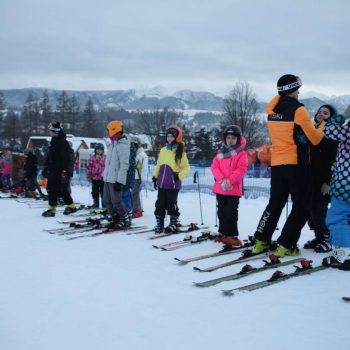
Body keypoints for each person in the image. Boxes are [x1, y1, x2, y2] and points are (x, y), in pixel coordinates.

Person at [251, 74, 325, 257]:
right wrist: (323, 125)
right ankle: (286, 244)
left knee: (275, 204)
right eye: (297, 89)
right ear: (292, 90)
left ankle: (261, 240)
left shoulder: (272, 110)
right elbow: (315, 139)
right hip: (297, 165)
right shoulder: (299, 110)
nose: (299, 92)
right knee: (301, 206)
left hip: (277, 164)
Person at [304, 105, 339, 252]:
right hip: (310, 177)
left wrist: (327, 182)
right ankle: (319, 236)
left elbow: (334, 160)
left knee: (319, 209)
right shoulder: (313, 132)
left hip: (324, 179)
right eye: (319, 111)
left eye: (325, 113)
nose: (321, 114)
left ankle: (327, 237)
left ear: (331, 117)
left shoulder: (332, 135)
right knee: (309, 210)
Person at [211, 125, 248, 250]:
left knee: (231, 212)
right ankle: (223, 232)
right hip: (220, 187)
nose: (230, 140)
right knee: (221, 211)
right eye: (228, 137)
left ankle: (232, 234)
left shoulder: (241, 154)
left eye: (233, 138)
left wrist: (230, 180)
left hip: (233, 189)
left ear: (238, 139)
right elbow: (214, 167)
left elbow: (241, 169)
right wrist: (221, 180)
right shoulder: (220, 152)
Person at [321, 115, 350, 270]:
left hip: (345, 184)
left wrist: (334, 120)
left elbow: (329, 130)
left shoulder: (348, 130)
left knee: (337, 218)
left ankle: (342, 255)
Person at [152, 125, 190, 234]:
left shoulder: (180, 151)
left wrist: (178, 176)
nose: (169, 138)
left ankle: (173, 222)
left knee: (171, 203)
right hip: (162, 183)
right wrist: (155, 177)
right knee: (160, 204)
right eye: (168, 136)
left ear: (177, 138)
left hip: (173, 184)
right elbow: (158, 165)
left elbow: (186, 168)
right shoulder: (163, 150)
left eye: (172, 137)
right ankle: (160, 224)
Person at [41, 122, 77, 217]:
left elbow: (65, 159)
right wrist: (46, 167)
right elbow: (51, 157)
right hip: (53, 169)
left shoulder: (62, 142)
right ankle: (71, 206)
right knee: (61, 189)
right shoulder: (54, 141)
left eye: (50, 131)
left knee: (52, 189)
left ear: (55, 131)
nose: (49, 132)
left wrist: (64, 171)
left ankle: (52, 209)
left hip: (59, 170)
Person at [102, 120, 131, 229]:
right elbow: (108, 163)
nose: (107, 133)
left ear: (114, 131)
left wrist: (120, 181)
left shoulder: (122, 146)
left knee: (116, 202)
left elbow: (124, 165)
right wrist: (104, 176)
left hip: (115, 180)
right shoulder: (113, 144)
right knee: (106, 201)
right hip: (107, 178)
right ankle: (115, 218)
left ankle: (125, 219)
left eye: (108, 131)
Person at [131, 141, 149, 218]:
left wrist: (143, 180)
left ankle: (137, 210)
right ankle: (137, 208)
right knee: (134, 194)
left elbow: (145, 169)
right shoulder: (136, 154)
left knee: (134, 194)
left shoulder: (142, 155)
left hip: (138, 177)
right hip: (134, 176)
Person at [86, 143, 106, 208]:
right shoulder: (92, 158)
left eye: (101, 150)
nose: (99, 151)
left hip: (103, 178)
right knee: (95, 191)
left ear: (103, 150)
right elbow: (89, 167)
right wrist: (89, 175)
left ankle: (104, 205)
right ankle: (96, 204)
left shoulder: (105, 158)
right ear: (95, 150)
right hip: (94, 178)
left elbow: (107, 167)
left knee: (103, 192)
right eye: (98, 149)